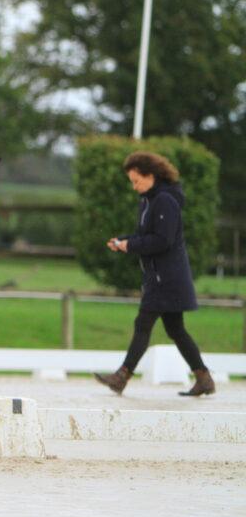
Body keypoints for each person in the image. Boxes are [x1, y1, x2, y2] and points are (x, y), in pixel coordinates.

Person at [95, 151, 215, 397]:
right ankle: (203, 377)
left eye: (137, 180)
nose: (134, 186)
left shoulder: (164, 201)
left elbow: (163, 240)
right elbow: (145, 234)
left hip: (167, 279)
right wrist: (125, 241)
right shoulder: (149, 201)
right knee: (176, 330)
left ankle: (122, 376)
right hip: (160, 276)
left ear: (150, 176)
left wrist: (132, 246)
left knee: (143, 324)